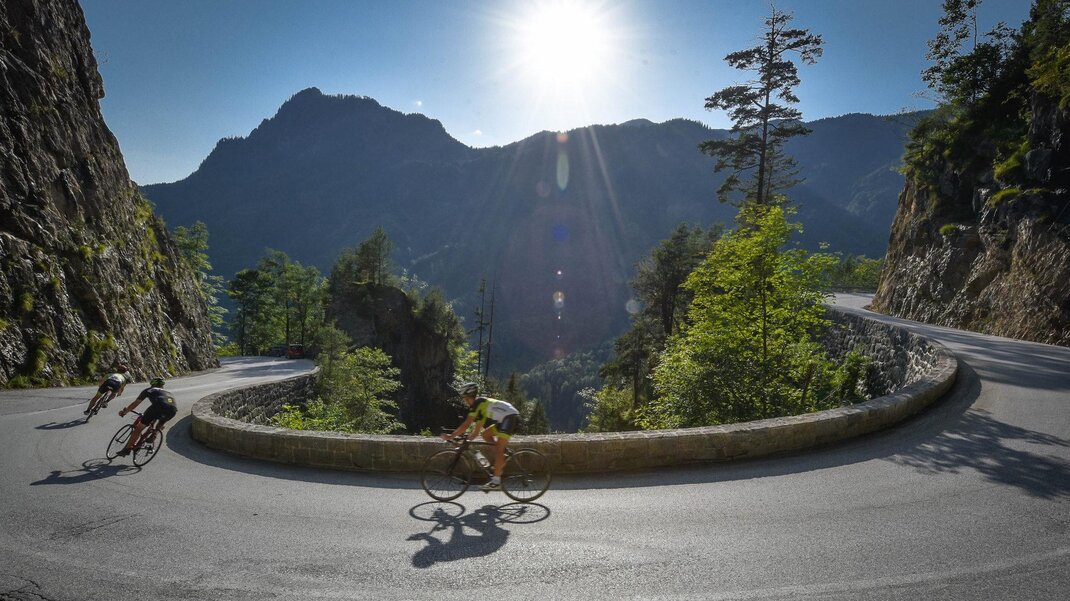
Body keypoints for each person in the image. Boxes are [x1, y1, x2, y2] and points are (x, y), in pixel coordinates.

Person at [442, 382, 520, 491]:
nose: (464, 401)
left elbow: (466, 424)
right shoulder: (480, 410)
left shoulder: (478, 403)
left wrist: (451, 436)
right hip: (504, 419)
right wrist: (463, 443)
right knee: (485, 434)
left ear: (469, 396)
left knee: (499, 449)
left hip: (511, 418)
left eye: (465, 398)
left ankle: (496, 482)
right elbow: (476, 433)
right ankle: (501, 457)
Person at [115, 377, 177, 457]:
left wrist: (125, 412)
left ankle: (127, 449)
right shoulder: (169, 393)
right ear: (162, 386)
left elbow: (135, 404)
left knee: (139, 428)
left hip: (158, 407)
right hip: (173, 410)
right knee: (161, 421)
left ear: (152, 384)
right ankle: (154, 434)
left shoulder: (149, 390)